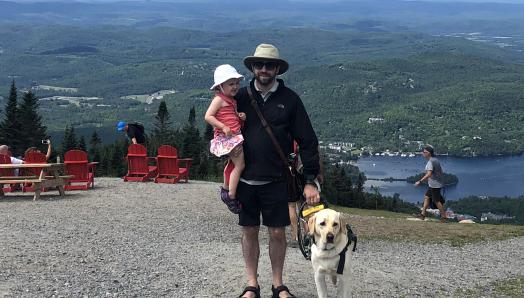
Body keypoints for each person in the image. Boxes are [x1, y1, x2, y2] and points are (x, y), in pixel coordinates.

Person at [234, 43, 320, 298]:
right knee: (248, 231)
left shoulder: (290, 100)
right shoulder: (238, 97)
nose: (263, 69)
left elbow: (308, 141)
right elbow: (216, 133)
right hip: (245, 180)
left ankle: (277, 284)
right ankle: (252, 284)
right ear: (252, 68)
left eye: (269, 65)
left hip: (277, 180)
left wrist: (310, 180)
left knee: (277, 232)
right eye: (259, 65)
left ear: (277, 69)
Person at [204, 64, 246, 205]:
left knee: (232, 164)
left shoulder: (231, 100)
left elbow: (229, 116)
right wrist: (223, 126)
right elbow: (208, 116)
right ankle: (232, 196)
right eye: (231, 84)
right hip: (228, 138)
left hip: (233, 136)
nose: (235, 86)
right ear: (220, 86)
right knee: (240, 165)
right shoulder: (218, 100)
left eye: (237, 83)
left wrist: (240, 117)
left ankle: (226, 188)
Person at [414, 145, 448, 222]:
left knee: (436, 201)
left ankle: (444, 217)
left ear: (428, 153)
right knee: (426, 197)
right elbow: (441, 171)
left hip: (434, 184)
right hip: (435, 183)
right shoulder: (435, 160)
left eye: (424, 152)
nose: (423, 153)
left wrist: (420, 181)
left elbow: (429, 174)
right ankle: (422, 215)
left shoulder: (430, 162)